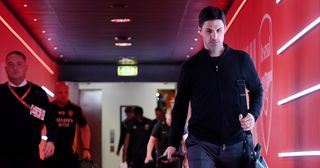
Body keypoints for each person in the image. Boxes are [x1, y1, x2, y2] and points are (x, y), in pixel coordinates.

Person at [164, 6, 263, 168]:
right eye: (209, 31)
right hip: (201, 143)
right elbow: (180, 106)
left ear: (224, 28)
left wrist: (253, 114)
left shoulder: (241, 60)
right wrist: (173, 142)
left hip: (236, 142)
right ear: (200, 31)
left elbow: (257, 89)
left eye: (219, 30)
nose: (214, 36)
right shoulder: (190, 67)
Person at [0, 51, 56, 168]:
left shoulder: (38, 93)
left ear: (26, 67)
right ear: (6, 68)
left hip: (30, 156)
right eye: (11, 64)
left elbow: (50, 120)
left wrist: (50, 140)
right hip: (3, 156)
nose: (15, 68)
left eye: (19, 64)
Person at [43, 81, 91, 168]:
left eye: (66, 92)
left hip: (70, 155)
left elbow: (85, 128)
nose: (63, 95)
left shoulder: (76, 109)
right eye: (60, 92)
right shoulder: (49, 108)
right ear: (55, 93)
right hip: (51, 154)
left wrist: (86, 149)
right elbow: (39, 126)